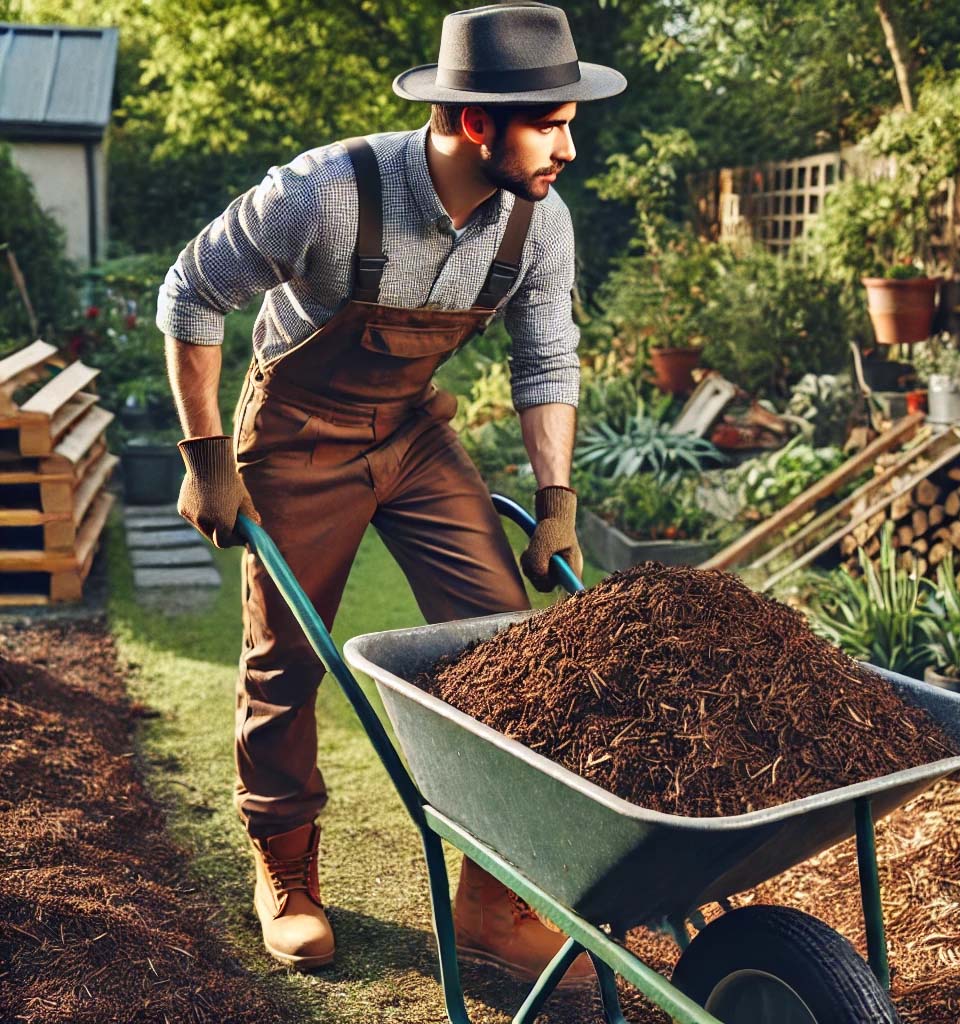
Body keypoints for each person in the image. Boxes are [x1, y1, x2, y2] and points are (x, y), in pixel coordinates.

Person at [158, 0, 625, 986]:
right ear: (473, 125)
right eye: (550, 125)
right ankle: (285, 866)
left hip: (412, 435)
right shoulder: (323, 194)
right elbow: (189, 292)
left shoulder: (539, 222)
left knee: (506, 651)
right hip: (294, 442)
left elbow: (547, 359)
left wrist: (554, 500)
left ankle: (493, 903)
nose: (567, 150)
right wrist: (208, 455)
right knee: (285, 660)